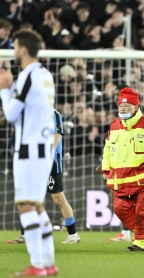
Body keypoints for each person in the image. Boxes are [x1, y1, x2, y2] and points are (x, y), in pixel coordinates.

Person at [0, 29, 58, 276]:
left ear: (23, 49)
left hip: (29, 150)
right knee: (37, 207)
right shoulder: (45, 75)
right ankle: (48, 263)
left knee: (25, 205)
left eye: (15, 47)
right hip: (44, 148)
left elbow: (12, 114)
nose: (14, 51)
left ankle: (38, 265)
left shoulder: (27, 75)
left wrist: (4, 89)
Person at [102, 87, 144, 252]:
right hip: (121, 178)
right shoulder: (114, 126)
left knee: (143, 211)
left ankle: (140, 243)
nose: (123, 108)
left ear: (136, 107)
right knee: (119, 208)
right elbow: (107, 149)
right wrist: (106, 169)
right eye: (121, 105)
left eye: (127, 105)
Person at [6, 109, 81, 245]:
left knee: (58, 198)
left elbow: (56, 138)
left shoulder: (54, 114)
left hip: (50, 162)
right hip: (31, 161)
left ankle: (73, 235)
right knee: (28, 197)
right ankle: (25, 234)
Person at [95, 84, 133, 243]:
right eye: (117, 95)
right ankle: (127, 232)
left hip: (133, 167)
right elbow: (110, 146)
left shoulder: (138, 120)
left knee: (131, 201)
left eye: (121, 94)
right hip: (120, 167)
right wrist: (106, 165)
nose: (118, 98)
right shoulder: (116, 122)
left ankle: (135, 231)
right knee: (122, 201)